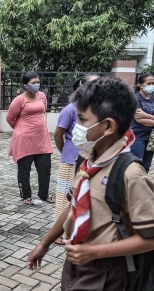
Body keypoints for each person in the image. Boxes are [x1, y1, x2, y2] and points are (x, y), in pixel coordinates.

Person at [26, 77, 154, 291]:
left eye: (82, 119)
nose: (75, 127)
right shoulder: (91, 159)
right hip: (77, 264)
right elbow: (74, 205)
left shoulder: (130, 173)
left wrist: (94, 250)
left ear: (108, 126)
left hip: (102, 274)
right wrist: (44, 243)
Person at [54, 75, 99, 221]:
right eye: (94, 84)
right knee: (65, 194)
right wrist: (65, 152)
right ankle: (60, 230)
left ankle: (77, 227)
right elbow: (58, 135)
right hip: (71, 158)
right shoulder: (70, 109)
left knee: (84, 194)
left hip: (91, 159)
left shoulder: (98, 109)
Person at [6, 71, 53, 205]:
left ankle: (44, 194)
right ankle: (26, 196)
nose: (37, 85)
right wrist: (21, 129)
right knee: (24, 170)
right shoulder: (19, 100)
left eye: (38, 82)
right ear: (26, 86)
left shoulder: (42, 96)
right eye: (33, 83)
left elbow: (43, 111)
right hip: (24, 141)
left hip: (42, 139)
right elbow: (10, 118)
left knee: (45, 168)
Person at [130, 73, 154, 172]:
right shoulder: (135, 98)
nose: (151, 86)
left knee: (146, 166)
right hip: (137, 136)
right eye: (149, 83)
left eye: (153, 83)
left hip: (152, 137)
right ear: (140, 85)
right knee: (136, 165)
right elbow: (139, 120)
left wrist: (145, 114)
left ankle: (142, 185)